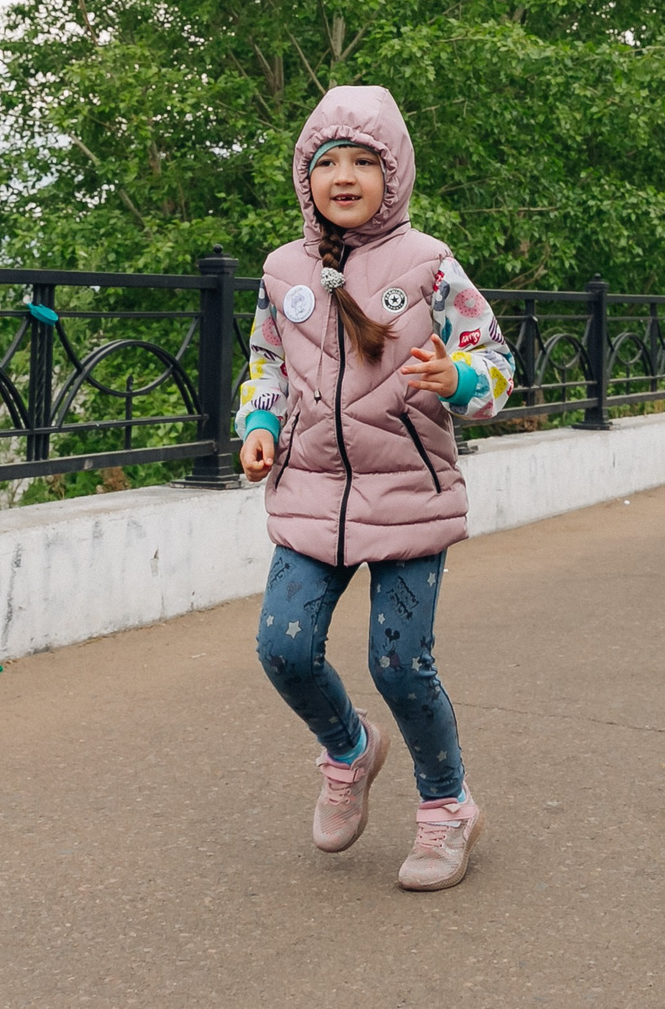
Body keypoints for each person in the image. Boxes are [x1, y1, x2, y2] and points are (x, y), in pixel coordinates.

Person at [235, 85, 517, 892]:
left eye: (365, 161)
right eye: (329, 162)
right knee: (283, 648)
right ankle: (350, 750)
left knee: (399, 663)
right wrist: (257, 424)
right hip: (308, 494)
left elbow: (496, 366)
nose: (346, 176)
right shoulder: (283, 270)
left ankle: (446, 808)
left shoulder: (428, 263)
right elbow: (266, 362)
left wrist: (456, 374)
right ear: (306, 176)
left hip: (410, 499)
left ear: (392, 176)